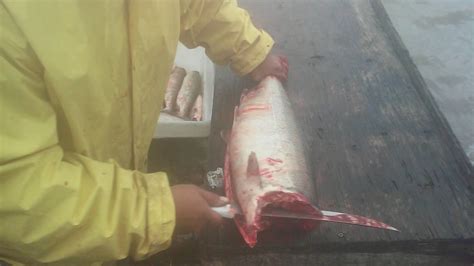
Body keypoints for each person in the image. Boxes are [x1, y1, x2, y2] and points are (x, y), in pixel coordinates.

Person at [0, 0, 288, 264]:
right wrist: (153, 212)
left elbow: (199, 5)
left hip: (116, 203)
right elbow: (16, 191)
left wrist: (250, 49)